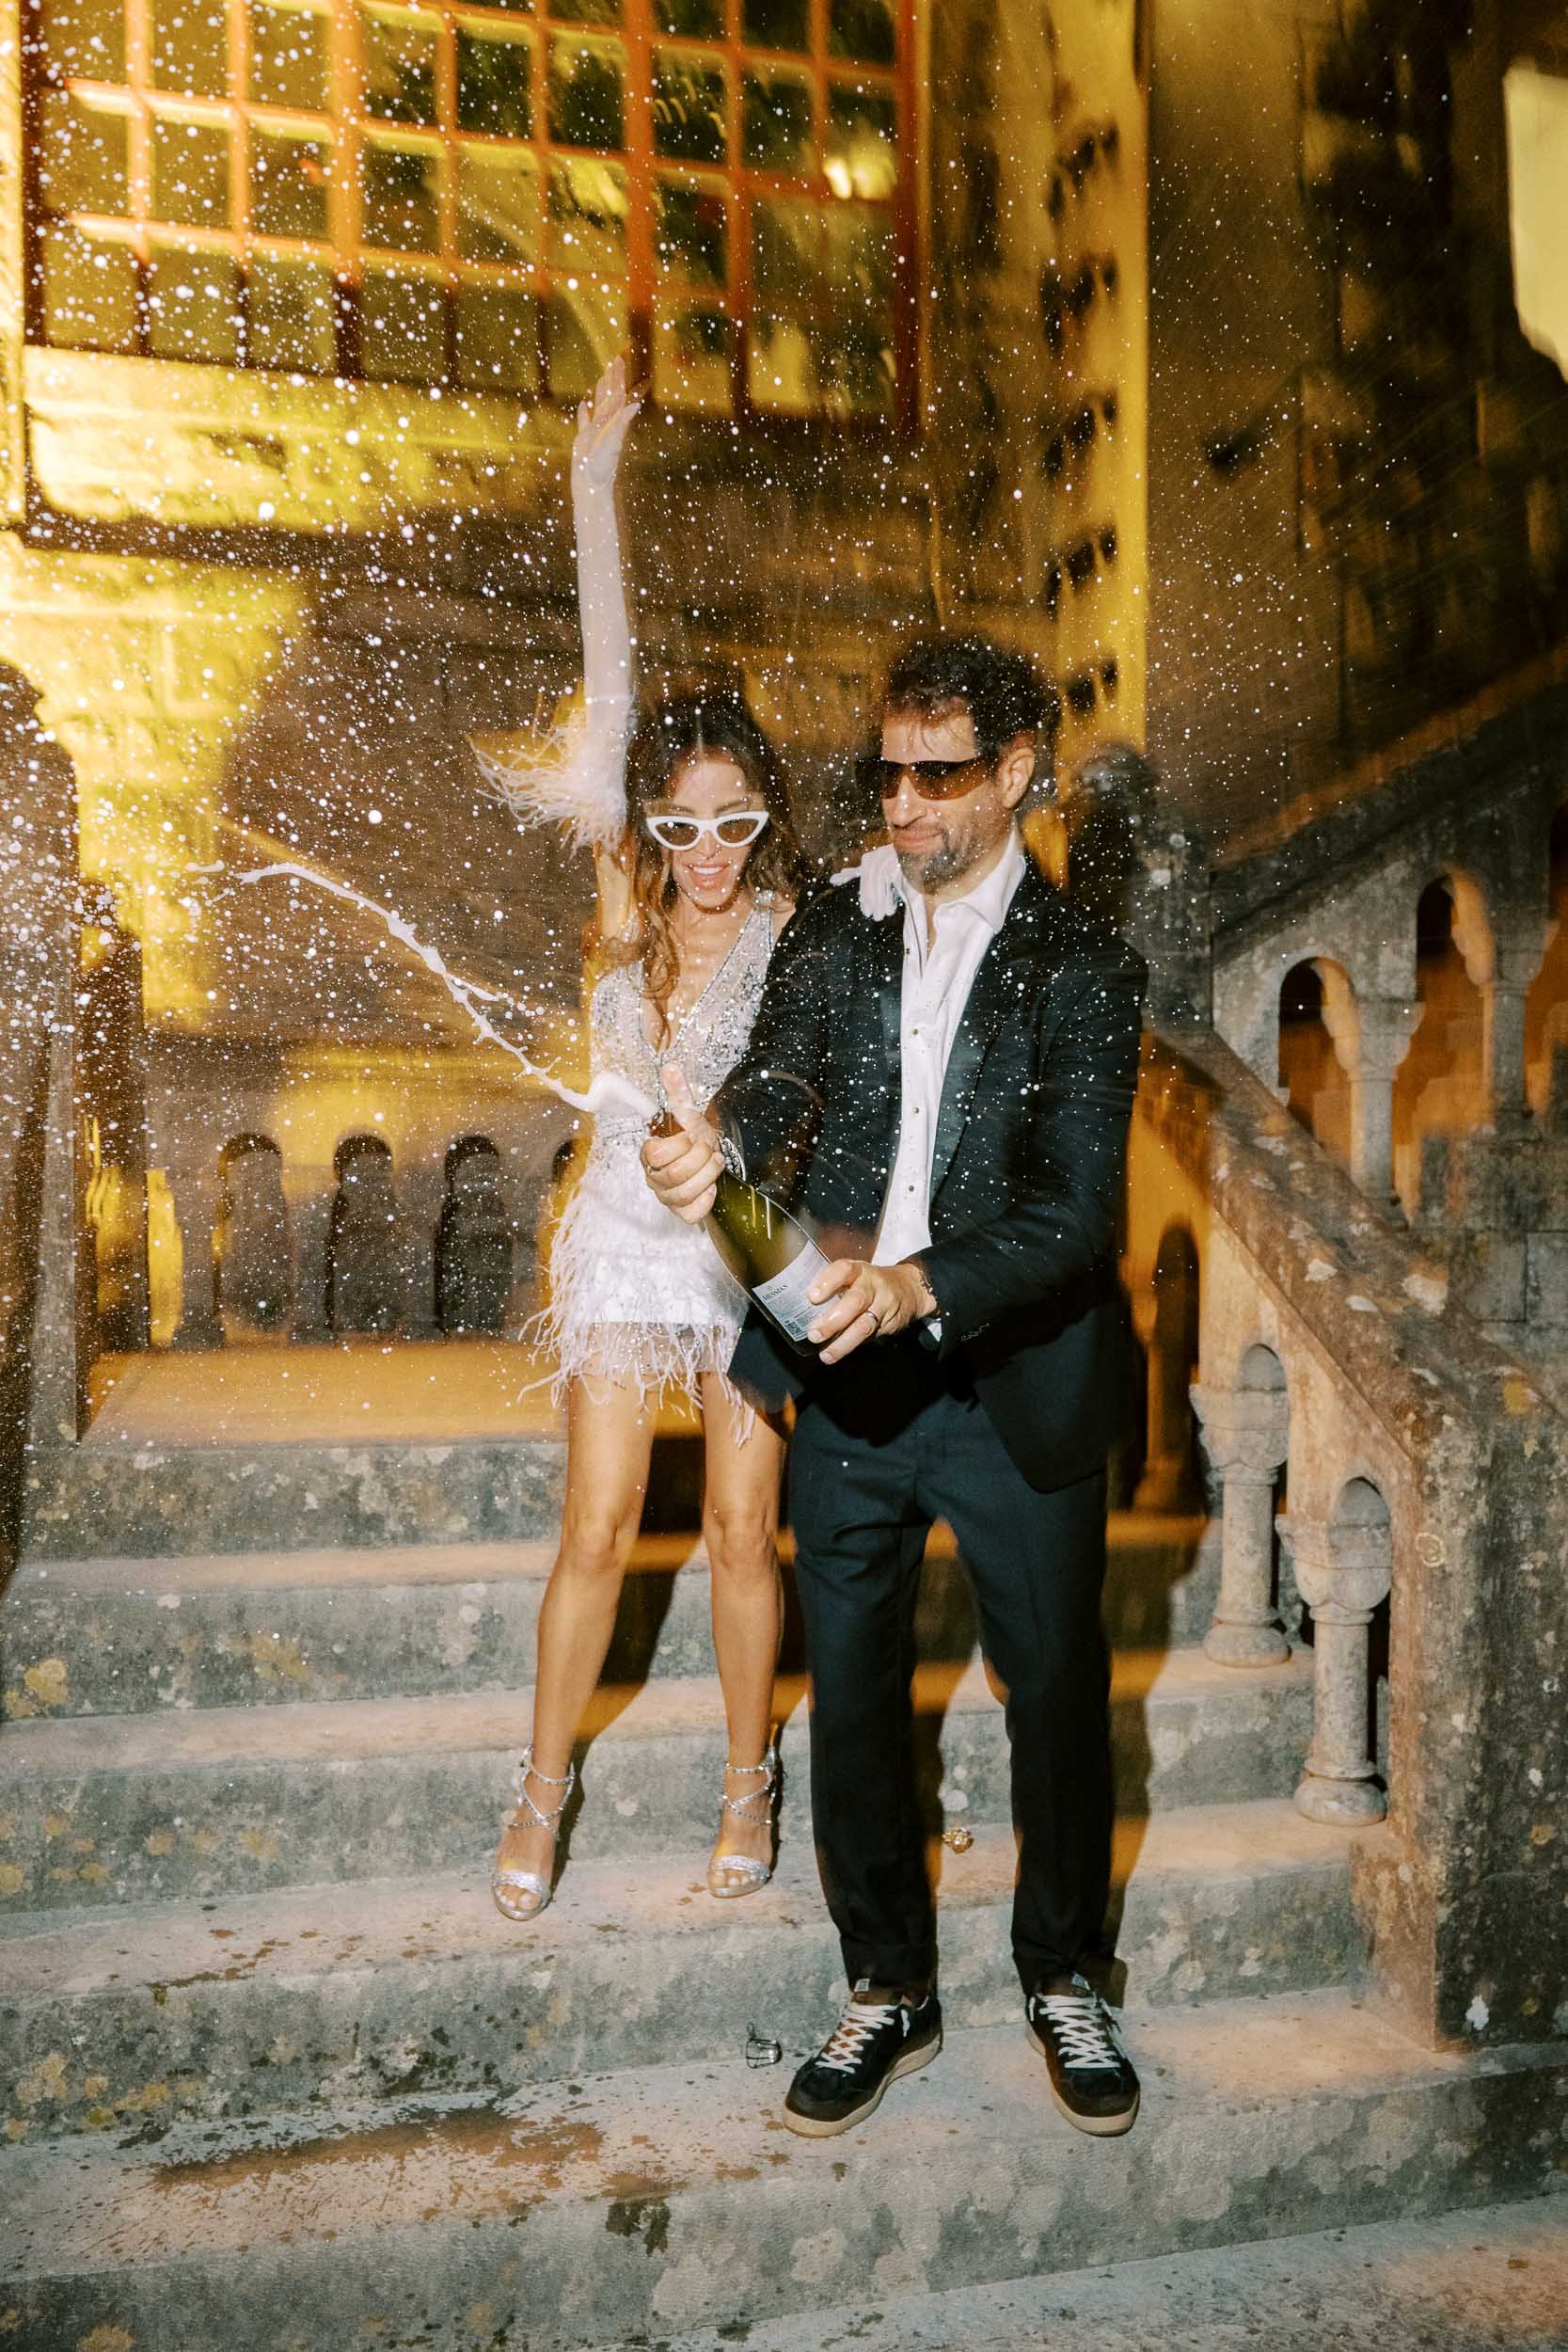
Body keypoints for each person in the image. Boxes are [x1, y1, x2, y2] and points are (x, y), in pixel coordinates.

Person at [643, 634, 1147, 2137]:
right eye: (888, 775)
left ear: (1016, 772)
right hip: (851, 1379)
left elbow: (1076, 1212)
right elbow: (785, 1082)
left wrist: (922, 1281)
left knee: (1056, 1694)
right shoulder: (840, 928)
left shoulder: (1085, 967)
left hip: (1013, 1382)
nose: (904, 804)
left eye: (940, 775)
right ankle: (887, 1986)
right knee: (853, 1692)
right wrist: (720, 1153)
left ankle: (1065, 1972)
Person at [482, 361, 801, 1920]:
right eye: (684, 825)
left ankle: (749, 1778)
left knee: (743, 1531)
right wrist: (593, 489)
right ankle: (543, 1786)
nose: (710, 851)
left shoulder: (798, 934)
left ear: (766, 818)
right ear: (652, 830)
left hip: (738, 1241)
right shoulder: (625, 910)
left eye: (736, 821)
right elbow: (608, 696)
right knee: (598, 1527)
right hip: (620, 1237)